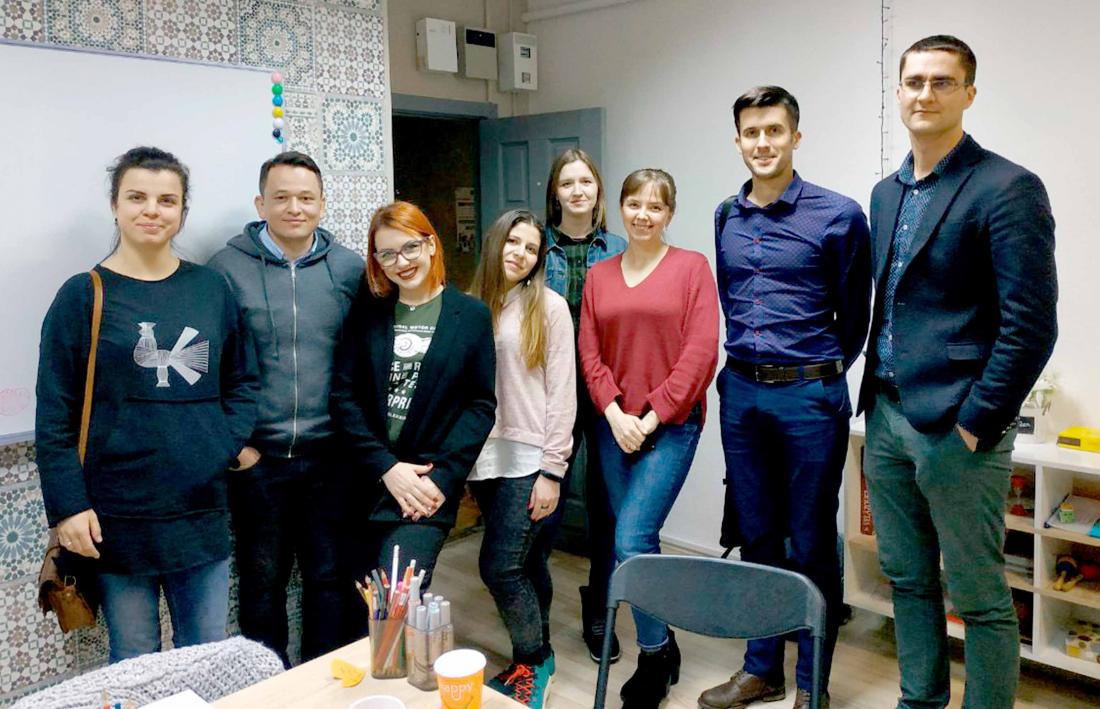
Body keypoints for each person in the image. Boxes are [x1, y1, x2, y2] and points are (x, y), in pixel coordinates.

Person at [859, 35, 1057, 708]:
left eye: (942, 82)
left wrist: (976, 423)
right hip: (886, 417)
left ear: (969, 93)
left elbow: (1031, 325)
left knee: (979, 597)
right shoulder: (885, 194)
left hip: (957, 428)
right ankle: (919, 701)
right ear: (897, 93)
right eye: (914, 81)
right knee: (908, 580)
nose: (925, 94)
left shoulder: (1007, 187)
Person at [35, 146, 258, 663]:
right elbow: (55, 414)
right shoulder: (82, 295)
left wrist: (221, 445)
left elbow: (243, 379)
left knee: (206, 655)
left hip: (200, 510)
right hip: (117, 516)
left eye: (167, 200)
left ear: (182, 210)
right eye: (137, 197)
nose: (151, 210)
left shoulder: (211, 288)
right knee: (135, 660)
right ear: (115, 205)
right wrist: (68, 508)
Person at [699, 87, 871, 709]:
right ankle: (761, 668)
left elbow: (855, 317)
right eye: (751, 132)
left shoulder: (839, 215)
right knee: (757, 535)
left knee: (811, 539)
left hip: (809, 397)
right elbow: (731, 299)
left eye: (774, 130)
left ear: (795, 136)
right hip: (742, 393)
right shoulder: (726, 215)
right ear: (738, 140)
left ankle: (811, 685)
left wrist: (815, 374)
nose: (763, 143)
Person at [207, 151, 364, 666]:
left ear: (322, 204)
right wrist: (238, 447)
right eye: (281, 197)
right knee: (262, 583)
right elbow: (209, 366)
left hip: (331, 459)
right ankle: (269, 685)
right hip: (259, 462)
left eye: (305, 198)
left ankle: (322, 684)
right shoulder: (225, 269)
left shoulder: (350, 269)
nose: (294, 208)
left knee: (329, 579)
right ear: (261, 204)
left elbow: (366, 359)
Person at [579, 169, 719, 708]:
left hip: (672, 426)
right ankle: (664, 645)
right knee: (634, 542)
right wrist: (615, 414)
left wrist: (652, 416)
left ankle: (654, 656)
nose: (643, 215)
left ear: (669, 214)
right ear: (620, 208)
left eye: (655, 207)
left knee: (632, 539)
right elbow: (589, 352)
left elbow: (700, 354)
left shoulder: (691, 268)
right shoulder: (599, 276)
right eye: (634, 204)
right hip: (613, 426)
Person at [330, 201, 496, 599]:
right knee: (361, 603)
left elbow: (480, 406)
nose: (401, 262)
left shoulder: (470, 315)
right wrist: (385, 466)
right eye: (387, 254)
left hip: (425, 486)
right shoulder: (368, 313)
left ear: (431, 245)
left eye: (410, 247)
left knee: (397, 601)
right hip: (366, 480)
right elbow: (343, 395)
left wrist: (443, 477)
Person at [468, 209, 576, 707]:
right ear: (497, 242)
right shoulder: (471, 305)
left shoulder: (549, 307)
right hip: (484, 458)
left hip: (531, 459)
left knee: (499, 566)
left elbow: (563, 393)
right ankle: (537, 652)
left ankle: (533, 659)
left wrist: (553, 470)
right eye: (514, 242)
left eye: (531, 248)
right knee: (527, 561)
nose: (521, 254)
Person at [541, 147, 627, 662]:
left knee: (606, 506)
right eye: (567, 182)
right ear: (556, 192)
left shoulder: (619, 248)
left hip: (607, 394)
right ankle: (533, 612)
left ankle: (600, 609)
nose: (577, 190)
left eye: (586, 182)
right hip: (548, 396)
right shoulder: (534, 247)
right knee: (541, 504)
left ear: (598, 190)